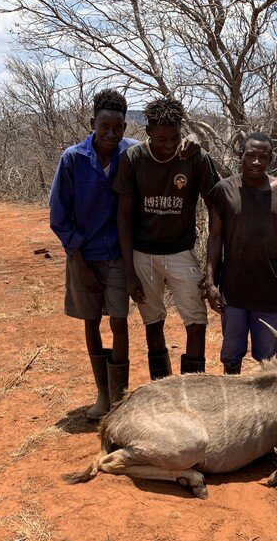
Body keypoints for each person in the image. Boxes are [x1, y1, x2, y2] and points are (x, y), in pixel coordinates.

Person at [49, 90, 200, 421]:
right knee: (91, 320)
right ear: (92, 123)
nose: (111, 134)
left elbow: (167, 148)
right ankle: (103, 393)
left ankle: (118, 398)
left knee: (118, 320)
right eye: (104, 127)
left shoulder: (130, 154)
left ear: (126, 127)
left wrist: (191, 138)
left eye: (118, 128)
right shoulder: (72, 159)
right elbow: (59, 216)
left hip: (119, 253)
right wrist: (78, 260)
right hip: (82, 255)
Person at [114, 96, 216, 380]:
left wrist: (212, 267)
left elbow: (216, 208)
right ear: (148, 132)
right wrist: (129, 272)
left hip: (180, 251)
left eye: (175, 138)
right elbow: (123, 216)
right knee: (153, 322)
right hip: (142, 253)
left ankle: (193, 389)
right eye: (161, 139)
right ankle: (161, 387)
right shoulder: (133, 159)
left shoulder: (195, 157)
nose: (169, 145)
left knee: (196, 321)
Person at [203, 132, 277, 374]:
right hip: (233, 288)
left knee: (268, 360)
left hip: (269, 289)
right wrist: (210, 281)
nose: (256, 162)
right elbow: (214, 238)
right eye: (251, 156)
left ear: (270, 159)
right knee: (231, 358)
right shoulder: (224, 190)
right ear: (241, 156)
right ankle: (231, 408)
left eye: (263, 157)